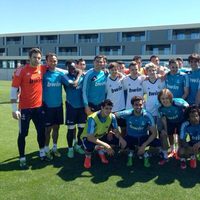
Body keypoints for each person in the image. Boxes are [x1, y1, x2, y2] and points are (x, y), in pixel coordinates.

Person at [10, 48, 47, 169]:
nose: (37, 60)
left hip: (39, 108)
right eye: (34, 57)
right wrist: (14, 109)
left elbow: (56, 69)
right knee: (23, 134)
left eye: (39, 58)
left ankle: (42, 153)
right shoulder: (21, 70)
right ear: (29, 58)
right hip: (24, 108)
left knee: (41, 132)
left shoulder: (42, 68)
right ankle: (22, 158)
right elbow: (13, 90)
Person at [115, 96, 161, 168]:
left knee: (159, 143)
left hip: (143, 138)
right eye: (136, 105)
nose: (139, 107)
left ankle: (145, 153)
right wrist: (119, 137)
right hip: (130, 137)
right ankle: (131, 151)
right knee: (120, 144)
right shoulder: (127, 113)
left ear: (143, 104)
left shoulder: (148, 115)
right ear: (132, 105)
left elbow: (154, 133)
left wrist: (144, 146)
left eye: (140, 105)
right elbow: (113, 116)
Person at [81, 99, 126, 169]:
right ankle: (88, 157)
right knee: (89, 145)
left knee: (117, 141)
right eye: (106, 108)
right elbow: (90, 137)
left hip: (102, 135)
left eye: (110, 109)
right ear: (101, 108)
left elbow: (116, 131)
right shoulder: (92, 118)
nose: (108, 111)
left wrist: (121, 138)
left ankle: (101, 151)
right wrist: (106, 145)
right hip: (88, 137)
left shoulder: (112, 117)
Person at [42, 53, 68, 160]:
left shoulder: (60, 74)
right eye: (51, 61)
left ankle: (55, 148)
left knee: (56, 129)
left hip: (58, 106)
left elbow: (72, 72)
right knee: (47, 130)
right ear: (46, 62)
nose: (53, 62)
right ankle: (46, 149)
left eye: (55, 61)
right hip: (47, 107)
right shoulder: (43, 74)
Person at [158, 88, 189, 164]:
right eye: (163, 99)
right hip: (170, 122)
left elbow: (187, 106)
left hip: (180, 122)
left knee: (180, 137)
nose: (165, 100)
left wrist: (186, 119)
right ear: (159, 99)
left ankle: (179, 152)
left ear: (170, 97)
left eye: (167, 98)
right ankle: (172, 150)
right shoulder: (161, 108)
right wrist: (165, 129)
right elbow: (163, 119)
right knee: (169, 134)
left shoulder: (177, 102)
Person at [64, 60, 86, 158]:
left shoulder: (83, 75)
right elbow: (74, 84)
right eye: (70, 68)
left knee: (82, 129)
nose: (72, 70)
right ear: (67, 68)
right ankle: (70, 149)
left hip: (81, 107)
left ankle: (78, 146)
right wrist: (79, 75)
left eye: (74, 68)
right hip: (71, 107)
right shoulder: (65, 76)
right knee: (71, 129)